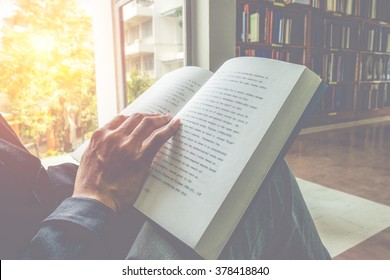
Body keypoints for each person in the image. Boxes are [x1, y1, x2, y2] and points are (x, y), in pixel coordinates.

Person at [0, 113, 330, 259]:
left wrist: (83, 168)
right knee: (260, 182)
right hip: (68, 249)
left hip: (61, 221)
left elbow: (22, 191)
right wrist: (91, 197)